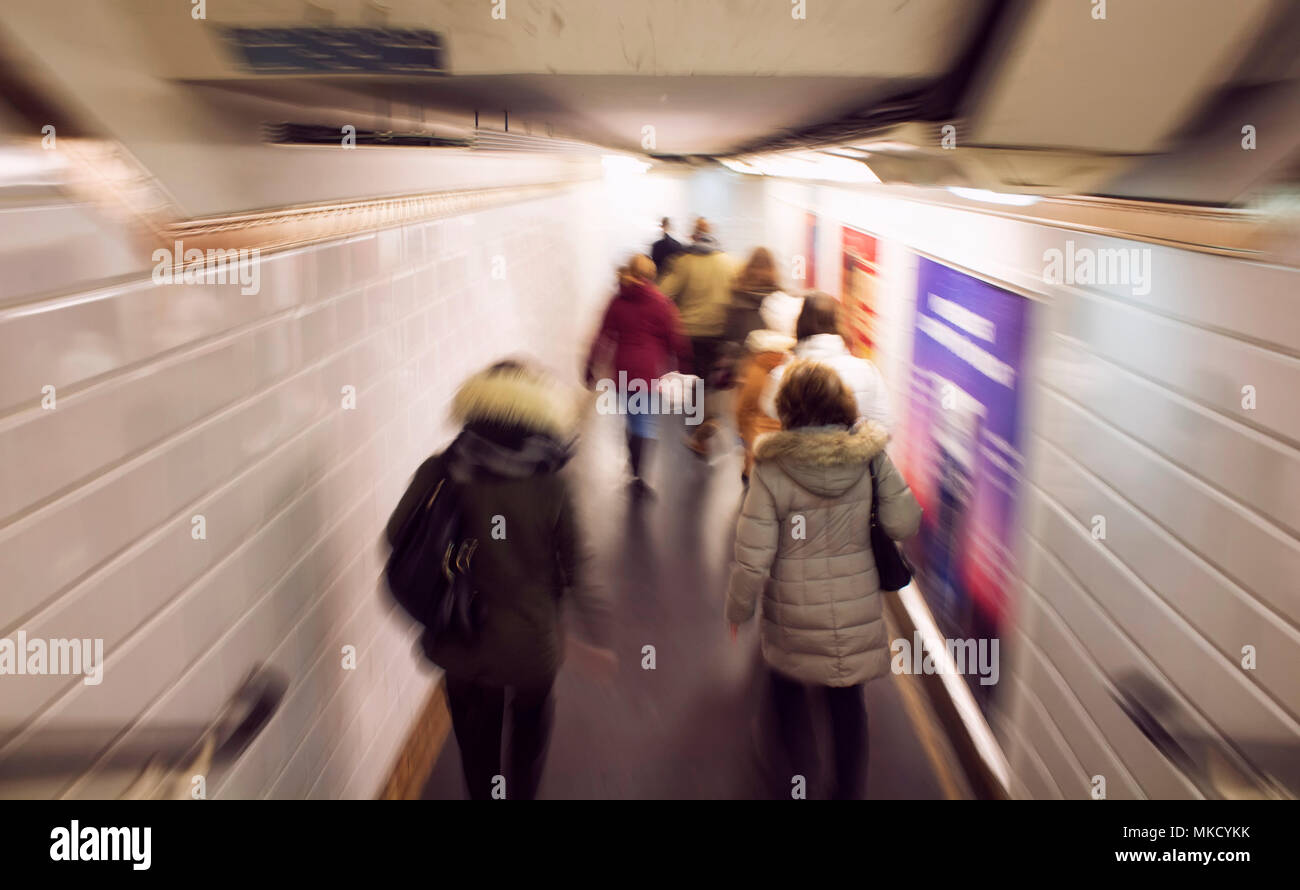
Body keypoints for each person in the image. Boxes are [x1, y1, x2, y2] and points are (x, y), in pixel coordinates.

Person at [385, 360, 613, 800]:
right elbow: (577, 567)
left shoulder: (440, 468)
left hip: (463, 638)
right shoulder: (550, 485)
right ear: (535, 417)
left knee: (477, 747)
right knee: (528, 734)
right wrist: (597, 634)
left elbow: (397, 535)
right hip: (531, 641)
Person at [726, 360, 922, 799]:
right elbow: (905, 521)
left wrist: (739, 607)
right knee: (847, 705)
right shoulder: (871, 459)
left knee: (788, 691)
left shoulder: (772, 468)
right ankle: (847, 791)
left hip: (791, 612)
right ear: (842, 403)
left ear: (789, 409)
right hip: (855, 611)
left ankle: (797, 779)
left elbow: (753, 554)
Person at [584, 255, 692, 493]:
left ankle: (634, 470)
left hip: (622, 370)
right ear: (652, 276)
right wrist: (682, 367)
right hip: (649, 373)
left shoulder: (617, 301)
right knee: (645, 423)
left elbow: (602, 336)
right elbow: (677, 340)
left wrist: (590, 366)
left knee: (632, 420)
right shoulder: (662, 304)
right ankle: (640, 475)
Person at [658, 218, 737, 456]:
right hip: (719, 332)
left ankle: (698, 429)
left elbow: (664, 293)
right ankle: (708, 418)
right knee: (709, 377)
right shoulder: (729, 263)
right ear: (712, 234)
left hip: (690, 332)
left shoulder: (682, 263)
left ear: (693, 236)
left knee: (694, 379)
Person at [760, 292, 892, 429]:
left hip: (801, 450)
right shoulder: (866, 370)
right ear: (838, 323)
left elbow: (771, 409)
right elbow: (884, 422)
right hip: (853, 449)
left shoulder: (784, 374)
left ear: (800, 323)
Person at [733, 327, 794, 484]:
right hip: (783, 449)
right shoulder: (790, 370)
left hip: (758, 449)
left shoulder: (756, 371)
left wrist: (742, 434)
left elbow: (743, 411)